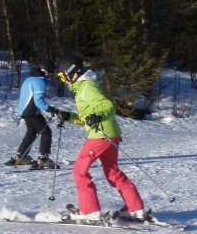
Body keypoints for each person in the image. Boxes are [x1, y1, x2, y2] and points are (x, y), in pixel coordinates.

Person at [55, 56, 145, 220]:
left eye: (62, 76)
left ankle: (89, 211)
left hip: (101, 135)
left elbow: (108, 106)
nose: (63, 80)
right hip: (111, 134)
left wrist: (98, 116)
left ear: (72, 72)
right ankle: (135, 208)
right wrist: (69, 117)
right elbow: (86, 119)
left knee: (79, 171)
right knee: (112, 172)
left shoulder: (86, 88)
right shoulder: (83, 87)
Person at [5, 60, 61, 169]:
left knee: (31, 132)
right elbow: (38, 101)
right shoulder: (40, 81)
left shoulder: (29, 79)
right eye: (50, 72)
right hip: (32, 112)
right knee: (46, 132)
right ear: (46, 71)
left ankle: (21, 156)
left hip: (25, 111)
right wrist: (51, 109)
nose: (50, 75)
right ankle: (43, 159)